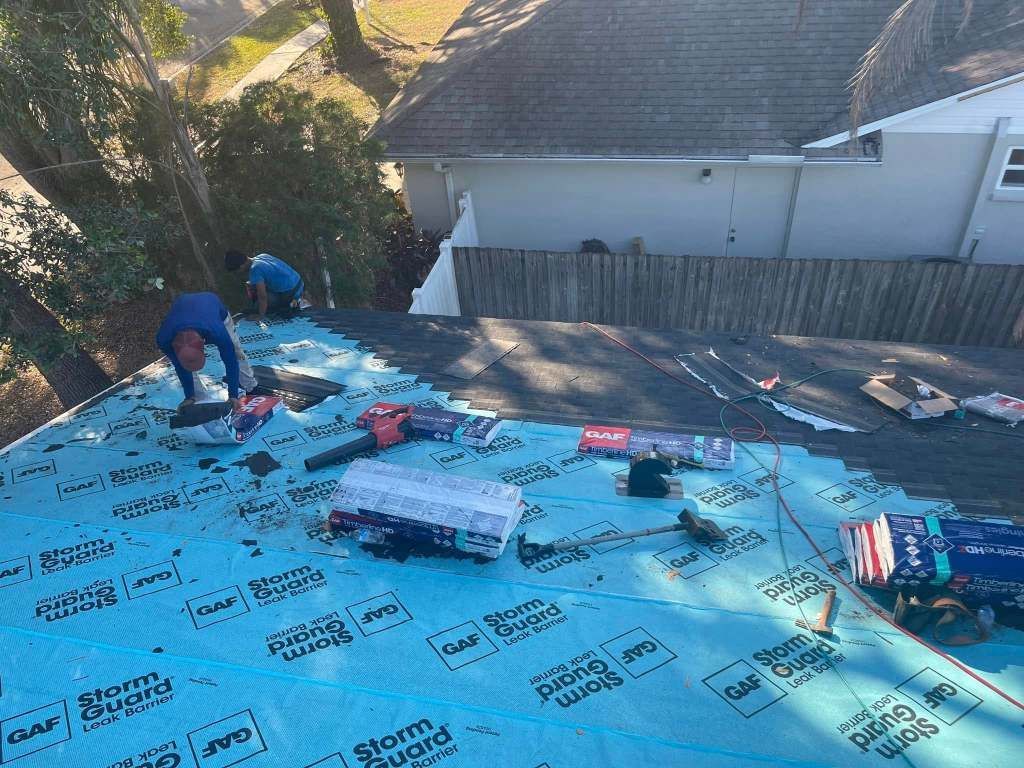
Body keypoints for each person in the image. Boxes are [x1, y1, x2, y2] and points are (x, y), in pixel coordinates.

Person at [156, 292, 257, 411]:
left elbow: (231, 361)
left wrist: (233, 395)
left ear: (203, 344)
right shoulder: (164, 339)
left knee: (236, 351)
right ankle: (198, 400)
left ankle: (250, 385)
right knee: (186, 370)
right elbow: (179, 366)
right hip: (186, 309)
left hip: (212, 307)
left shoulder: (216, 331)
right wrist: (189, 396)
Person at [224, 249, 306, 318]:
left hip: (290, 293)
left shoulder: (255, 270)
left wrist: (260, 315)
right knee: (252, 285)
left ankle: (285, 306)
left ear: (241, 267)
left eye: (237, 271)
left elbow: (262, 296)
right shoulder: (263, 256)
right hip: (299, 284)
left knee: (258, 303)